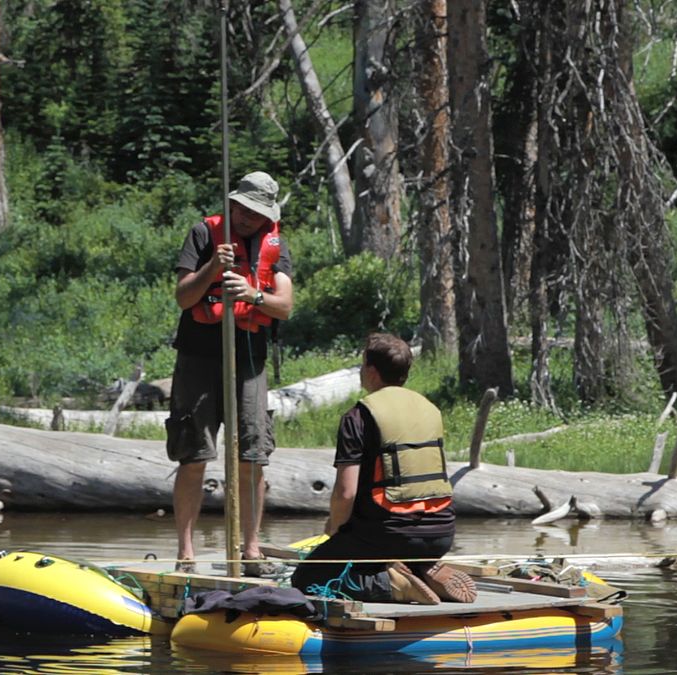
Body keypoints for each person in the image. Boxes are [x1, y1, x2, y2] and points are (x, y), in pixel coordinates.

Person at [166, 171, 294, 577]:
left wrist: (254, 295)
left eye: (257, 214)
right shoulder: (204, 234)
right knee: (194, 454)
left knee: (252, 457)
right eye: (243, 209)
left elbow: (285, 306)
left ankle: (250, 549)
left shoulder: (276, 244)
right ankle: (186, 554)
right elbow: (184, 297)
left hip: (249, 361)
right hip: (198, 358)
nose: (247, 219)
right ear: (233, 203)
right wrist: (211, 272)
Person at [290, 333, 477, 604]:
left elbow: (345, 493)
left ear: (372, 371)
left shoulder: (358, 417)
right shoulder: (430, 409)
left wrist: (335, 531)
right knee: (365, 554)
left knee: (308, 577)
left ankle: (392, 584)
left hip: (388, 535)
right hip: (442, 533)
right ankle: (421, 571)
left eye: (363, 365)